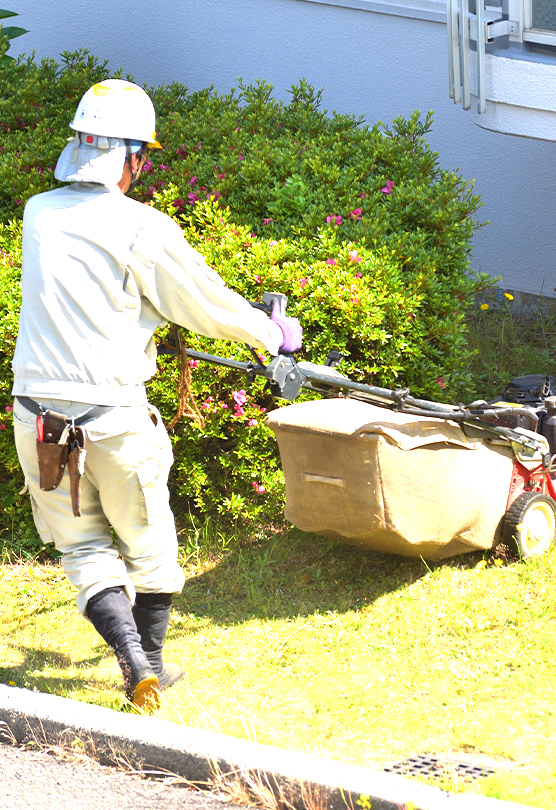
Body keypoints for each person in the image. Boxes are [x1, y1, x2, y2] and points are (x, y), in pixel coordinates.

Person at [11, 79, 302, 710]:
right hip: (112, 417)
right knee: (149, 545)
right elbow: (199, 302)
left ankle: (132, 662)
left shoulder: (38, 212)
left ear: (78, 147)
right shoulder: (142, 227)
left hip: (37, 416)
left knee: (82, 546)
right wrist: (270, 332)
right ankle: (153, 666)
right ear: (131, 157)